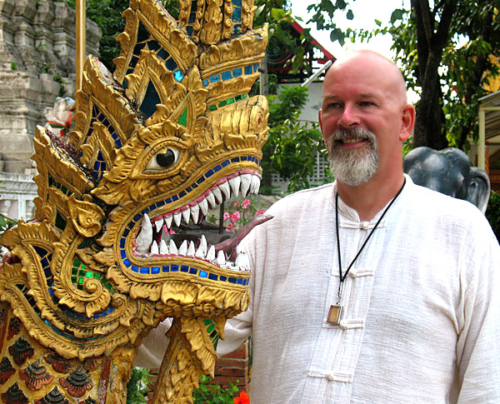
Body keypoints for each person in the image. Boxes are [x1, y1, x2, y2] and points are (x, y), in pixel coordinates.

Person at [138, 51, 500, 403]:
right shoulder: (277, 226)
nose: (346, 119)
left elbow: (489, 385)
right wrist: (123, 273)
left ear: (406, 121)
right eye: (332, 105)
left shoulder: (463, 235)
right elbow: (190, 335)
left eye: (366, 104)